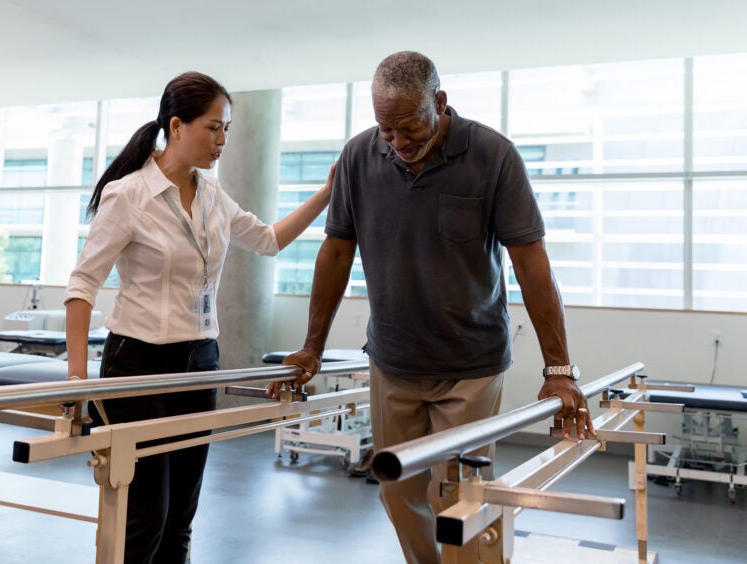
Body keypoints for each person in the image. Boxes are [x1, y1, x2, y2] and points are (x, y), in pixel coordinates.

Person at [269, 51, 592, 563]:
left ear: (439, 102)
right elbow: (334, 251)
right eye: (386, 131)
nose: (398, 144)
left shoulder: (493, 156)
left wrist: (559, 368)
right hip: (393, 362)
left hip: (470, 365)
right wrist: (312, 346)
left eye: (409, 128)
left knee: (459, 498)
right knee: (397, 491)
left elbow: (532, 265)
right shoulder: (358, 157)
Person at [63, 71, 333, 564]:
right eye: (213, 128)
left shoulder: (212, 195)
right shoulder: (128, 196)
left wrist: (326, 192)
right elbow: (82, 286)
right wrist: (76, 382)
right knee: (146, 515)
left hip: (199, 361)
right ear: (177, 125)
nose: (223, 140)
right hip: (137, 364)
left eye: (227, 128)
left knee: (181, 519)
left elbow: (269, 240)